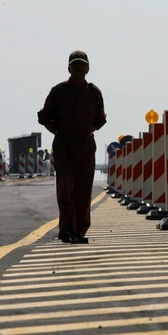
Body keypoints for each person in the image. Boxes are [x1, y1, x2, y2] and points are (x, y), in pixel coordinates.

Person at [37, 50, 107, 244]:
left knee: (84, 191)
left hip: (85, 146)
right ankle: (67, 229)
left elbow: (101, 120)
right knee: (66, 186)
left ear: (87, 68)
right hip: (64, 146)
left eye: (81, 65)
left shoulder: (94, 93)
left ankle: (79, 230)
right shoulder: (58, 91)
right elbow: (44, 117)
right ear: (69, 68)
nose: (78, 68)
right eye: (75, 65)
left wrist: (88, 131)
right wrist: (58, 133)